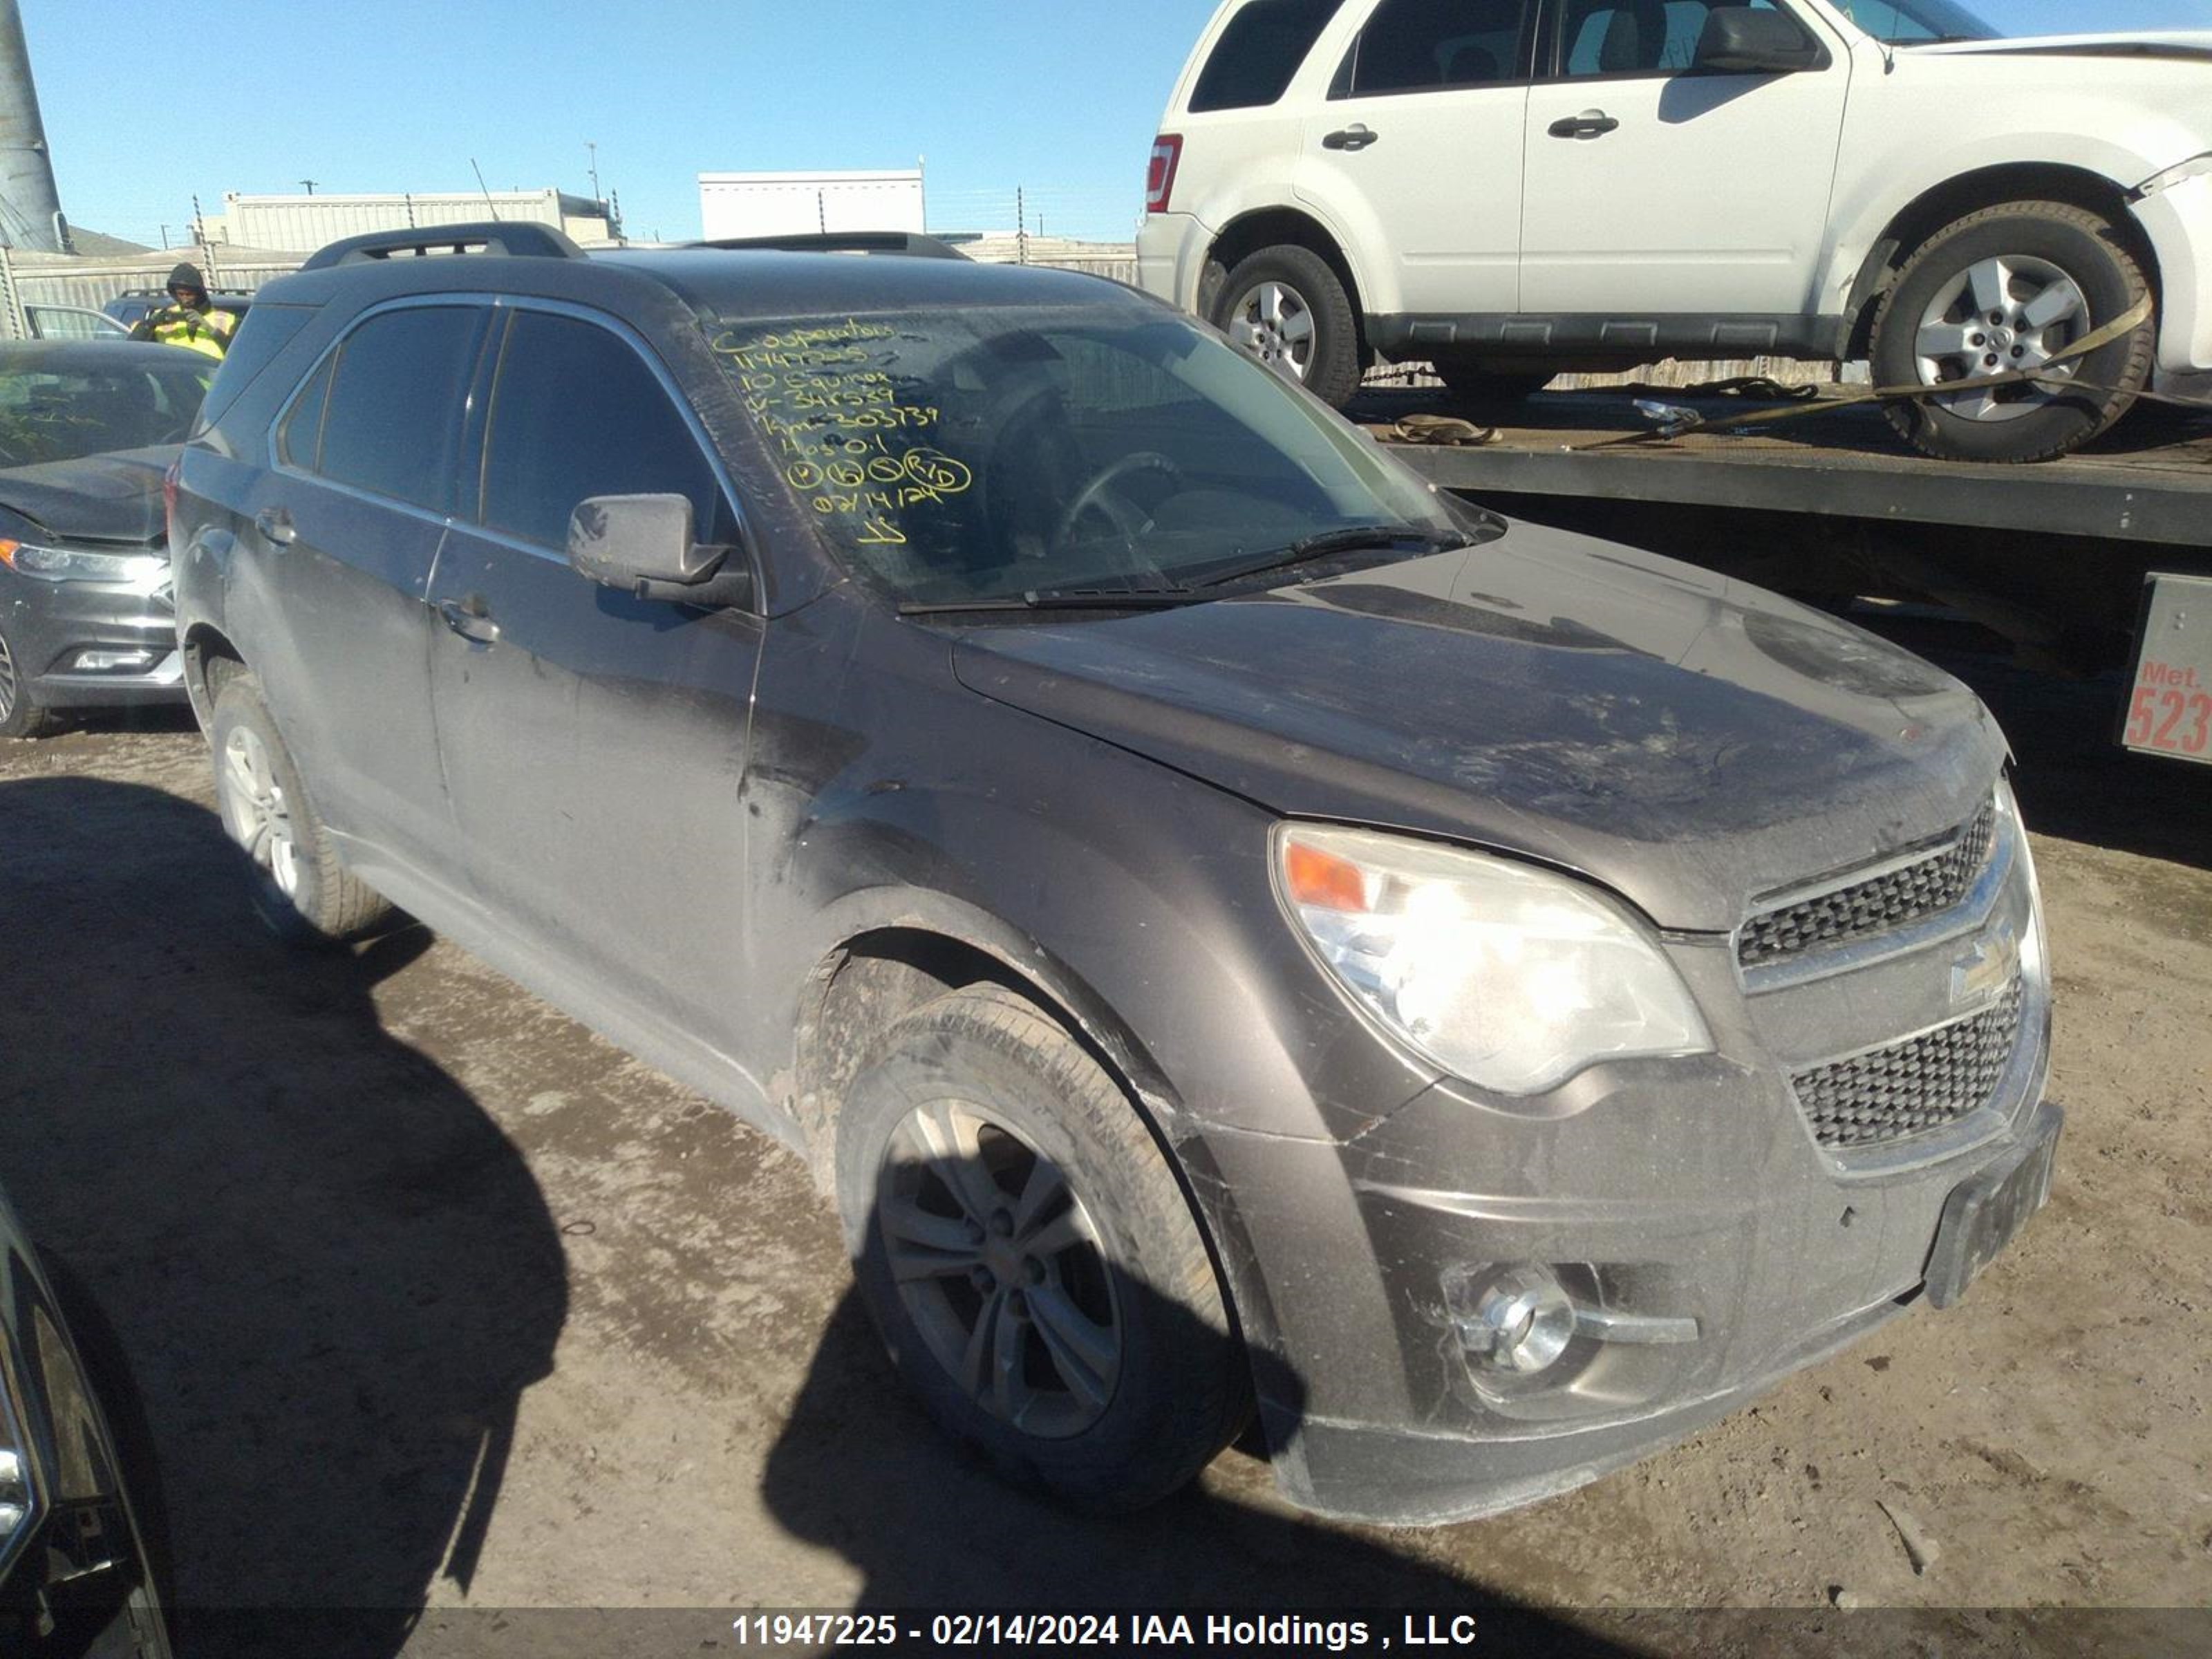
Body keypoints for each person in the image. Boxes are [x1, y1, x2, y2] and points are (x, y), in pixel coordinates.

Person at [128, 262, 236, 359]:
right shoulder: (162, 317)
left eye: (189, 294)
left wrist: (208, 327)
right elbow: (132, 351)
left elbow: (238, 355)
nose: (185, 299)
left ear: (199, 293)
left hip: (216, 380)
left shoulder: (227, 320)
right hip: (175, 380)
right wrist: (151, 324)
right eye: (180, 294)